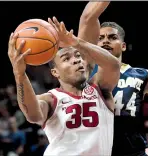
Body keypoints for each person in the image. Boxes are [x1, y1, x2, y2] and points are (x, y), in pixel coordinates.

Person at [7, 15, 120, 156]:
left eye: (78, 56)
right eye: (67, 58)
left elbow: (114, 65)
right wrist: (20, 75)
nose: (76, 60)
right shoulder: (50, 99)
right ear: (55, 72)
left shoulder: (100, 89)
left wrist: (76, 42)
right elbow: (33, 115)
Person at [78, 2, 148, 156]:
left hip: (132, 148)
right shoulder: (88, 67)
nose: (105, 41)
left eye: (112, 37)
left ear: (123, 46)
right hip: (96, 146)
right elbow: (88, 18)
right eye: (100, 38)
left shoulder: (140, 75)